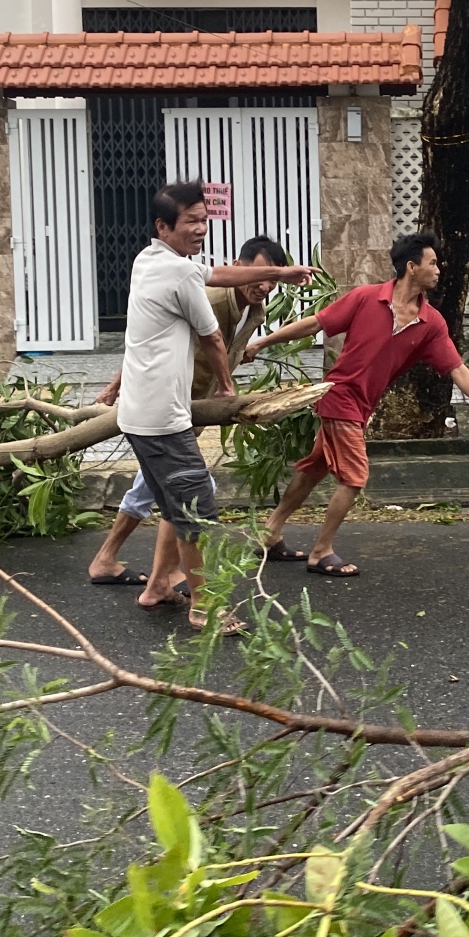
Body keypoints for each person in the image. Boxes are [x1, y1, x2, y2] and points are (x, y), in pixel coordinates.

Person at [102, 185, 310, 631]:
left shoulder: (149, 260)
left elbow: (214, 273)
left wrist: (283, 272)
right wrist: (229, 386)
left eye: (203, 219)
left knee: (175, 507)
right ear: (163, 227)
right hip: (166, 415)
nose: (200, 229)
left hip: (142, 415)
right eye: (190, 221)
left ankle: (158, 585)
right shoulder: (181, 276)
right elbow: (212, 336)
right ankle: (204, 607)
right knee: (198, 511)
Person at [245, 231, 469, 577]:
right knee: (354, 477)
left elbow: (456, 368)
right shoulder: (365, 298)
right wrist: (263, 343)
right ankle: (321, 552)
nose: (438, 269)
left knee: (314, 469)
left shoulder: (430, 323)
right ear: (411, 267)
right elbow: (314, 325)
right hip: (339, 396)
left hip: (362, 404)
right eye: (432, 263)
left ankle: (269, 531)